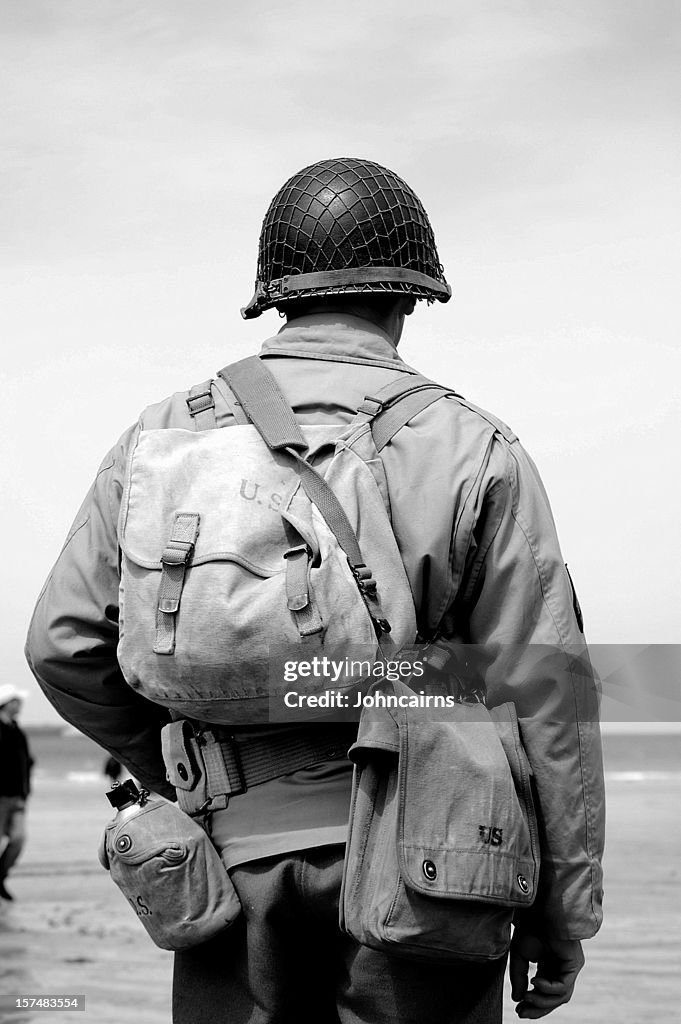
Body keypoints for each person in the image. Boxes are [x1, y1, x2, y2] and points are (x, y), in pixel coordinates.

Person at [25, 157, 605, 1023]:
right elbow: (544, 697)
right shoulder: (469, 445)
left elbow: (62, 646)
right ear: (409, 297)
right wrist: (563, 910)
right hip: (434, 867)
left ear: (277, 295)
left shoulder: (162, 437)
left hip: (230, 870)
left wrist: (201, 775)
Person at [0, 684, 34, 902]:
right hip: (0, 797)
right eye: (17, 701)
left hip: (18, 797)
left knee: (18, 839)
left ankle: (0, 877)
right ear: (7, 703)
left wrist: (25, 791)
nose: (20, 705)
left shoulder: (17, 730)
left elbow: (27, 762)